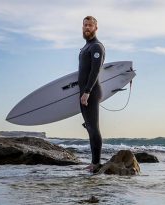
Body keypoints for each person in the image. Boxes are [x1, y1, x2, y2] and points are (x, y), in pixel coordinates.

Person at [78, 16, 105, 172]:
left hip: (92, 92)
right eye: (85, 25)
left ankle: (96, 164)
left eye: (90, 25)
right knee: (89, 127)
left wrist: (87, 91)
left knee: (93, 128)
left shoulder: (97, 47)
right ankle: (94, 162)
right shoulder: (85, 48)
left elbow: (95, 71)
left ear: (95, 28)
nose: (87, 27)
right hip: (84, 92)